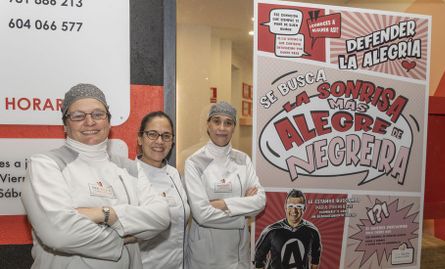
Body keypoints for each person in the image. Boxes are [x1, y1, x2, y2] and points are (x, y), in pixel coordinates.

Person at [21, 83, 171, 269]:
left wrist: (107, 214)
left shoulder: (130, 168)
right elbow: (59, 233)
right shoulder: (46, 165)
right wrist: (123, 237)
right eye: (78, 116)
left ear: (108, 121)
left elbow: (161, 216)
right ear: (65, 125)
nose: (90, 122)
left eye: (98, 114)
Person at [184, 101, 266, 269]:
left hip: (238, 254)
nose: (222, 127)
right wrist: (243, 215)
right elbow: (202, 215)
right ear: (208, 125)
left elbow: (260, 201)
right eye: (216, 121)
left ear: (233, 128)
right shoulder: (194, 162)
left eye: (228, 122)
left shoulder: (243, 159)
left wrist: (222, 204)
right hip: (206, 255)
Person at [136, 111, 190, 269]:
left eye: (166, 136)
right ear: (139, 138)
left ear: (172, 141)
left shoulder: (174, 174)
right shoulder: (129, 175)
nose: (159, 141)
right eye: (152, 134)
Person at [254, 189, 321, 269]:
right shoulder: (272, 231)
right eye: (291, 206)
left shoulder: (312, 231)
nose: (294, 210)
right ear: (285, 207)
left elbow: (315, 258)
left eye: (299, 206)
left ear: (304, 208)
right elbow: (258, 259)